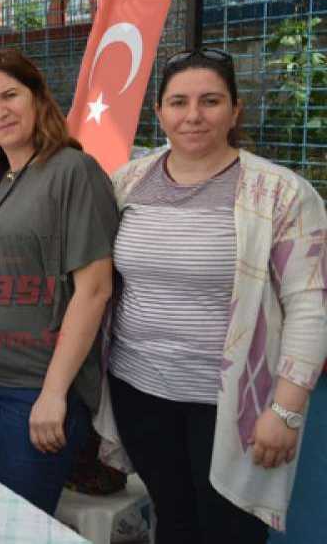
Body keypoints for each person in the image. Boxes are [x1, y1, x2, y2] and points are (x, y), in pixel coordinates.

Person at [96, 48, 327, 542]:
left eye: (210, 101)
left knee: (230, 530)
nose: (193, 115)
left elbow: (311, 305)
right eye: (178, 102)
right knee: (172, 518)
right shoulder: (127, 182)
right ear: (159, 112)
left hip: (232, 406)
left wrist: (286, 410)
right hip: (139, 392)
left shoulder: (281, 193)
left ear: (235, 110)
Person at [0, 49, 118, 515]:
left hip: (32, 386)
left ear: (38, 99)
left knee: (17, 521)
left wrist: (53, 393)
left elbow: (95, 290)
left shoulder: (72, 171)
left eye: (10, 95)